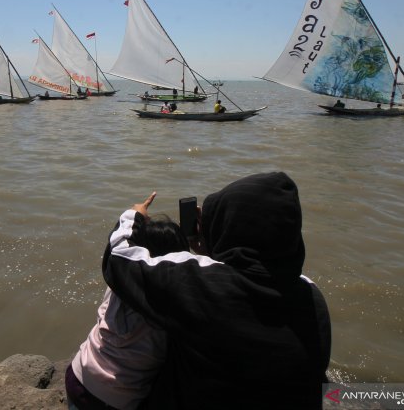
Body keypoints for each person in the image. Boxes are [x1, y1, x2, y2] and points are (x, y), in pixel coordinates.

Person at [102, 172, 331, 409]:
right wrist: (214, 253)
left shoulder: (202, 286)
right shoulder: (313, 297)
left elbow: (118, 259)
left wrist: (134, 215)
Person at [66, 216, 190, 410]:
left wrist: (134, 215)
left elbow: (117, 244)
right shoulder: (175, 306)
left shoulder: (118, 282)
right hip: (116, 401)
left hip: (77, 376)